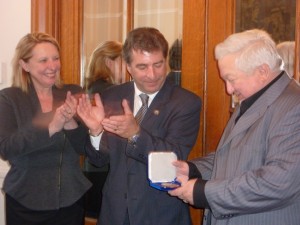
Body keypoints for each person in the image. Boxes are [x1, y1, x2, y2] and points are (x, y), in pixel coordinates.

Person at [168, 29, 300, 225]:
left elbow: (278, 183)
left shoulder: (293, 107)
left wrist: (202, 192)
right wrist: (193, 169)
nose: (229, 89)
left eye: (231, 79)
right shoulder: (255, 98)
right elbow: (234, 155)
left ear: (262, 71)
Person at [74, 27, 202, 225]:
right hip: (114, 213)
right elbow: (98, 160)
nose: (152, 74)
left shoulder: (186, 102)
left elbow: (174, 158)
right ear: (128, 66)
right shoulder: (112, 96)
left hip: (160, 214)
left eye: (158, 65)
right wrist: (96, 131)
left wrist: (135, 134)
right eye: (142, 67)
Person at [0, 32, 91, 225]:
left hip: (71, 200)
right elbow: (6, 148)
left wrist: (70, 124)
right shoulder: (9, 99)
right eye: (43, 60)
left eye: (55, 58)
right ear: (25, 65)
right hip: (25, 201)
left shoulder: (73, 92)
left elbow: (85, 147)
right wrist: (51, 127)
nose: (52, 66)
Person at [82, 40, 123, 218]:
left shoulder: (89, 90)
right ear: (109, 62)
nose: (128, 67)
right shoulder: (114, 93)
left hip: (89, 171)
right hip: (107, 172)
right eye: (124, 61)